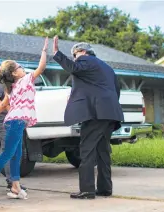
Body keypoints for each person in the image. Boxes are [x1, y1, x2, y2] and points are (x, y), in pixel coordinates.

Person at [52, 36, 124, 199]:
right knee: (102, 152)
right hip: (110, 114)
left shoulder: (86, 61)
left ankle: (87, 190)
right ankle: (105, 188)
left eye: (75, 55)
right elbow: (116, 90)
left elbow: (73, 68)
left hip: (95, 114)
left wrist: (57, 53)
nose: (74, 59)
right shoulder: (107, 68)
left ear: (83, 52)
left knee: (86, 150)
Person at [0, 37, 49, 200]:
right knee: (9, 152)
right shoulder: (24, 80)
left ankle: (15, 187)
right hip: (15, 122)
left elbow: (3, 105)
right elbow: (42, 67)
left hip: (15, 121)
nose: (22, 67)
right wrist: (44, 51)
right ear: (14, 73)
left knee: (16, 154)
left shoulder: (13, 86)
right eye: (19, 67)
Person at [0, 75, 27, 192]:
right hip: (1, 121)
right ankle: (12, 182)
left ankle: (13, 182)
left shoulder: (13, 84)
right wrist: (9, 108)